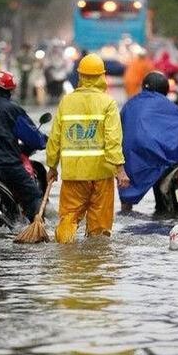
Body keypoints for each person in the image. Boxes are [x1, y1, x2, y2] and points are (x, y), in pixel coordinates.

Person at [46, 53, 130, 244]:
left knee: (68, 219)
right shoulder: (107, 102)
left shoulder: (66, 102)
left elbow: (55, 139)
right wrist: (120, 169)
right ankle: (96, 262)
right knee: (100, 229)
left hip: (73, 175)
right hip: (101, 174)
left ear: (80, 76)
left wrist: (51, 166)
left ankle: (66, 258)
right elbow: (113, 140)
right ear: (102, 76)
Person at [119, 72, 178, 211]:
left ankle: (126, 209)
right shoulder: (167, 105)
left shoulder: (131, 104)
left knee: (127, 196)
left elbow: (122, 132)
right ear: (165, 89)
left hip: (138, 159)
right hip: (164, 157)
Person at [0, 71, 47, 222]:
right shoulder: (12, 109)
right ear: (9, 90)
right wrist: (42, 140)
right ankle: (37, 226)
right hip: (7, 165)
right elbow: (32, 137)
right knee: (34, 195)